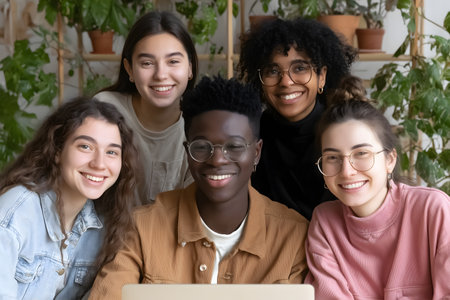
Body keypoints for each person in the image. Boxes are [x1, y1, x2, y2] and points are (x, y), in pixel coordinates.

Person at [88, 76, 309, 299]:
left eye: (234, 146)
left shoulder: (293, 237)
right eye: (202, 147)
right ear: (187, 152)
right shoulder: (142, 228)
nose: (217, 160)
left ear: (256, 152)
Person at [305, 99, 450, 299]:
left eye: (362, 153)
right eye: (333, 157)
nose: (347, 172)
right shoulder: (324, 222)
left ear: (390, 160)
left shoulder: (433, 209)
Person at [0, 97, 140, 299]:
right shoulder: (14, 213)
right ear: (57, 152)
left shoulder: (106, 226)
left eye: (111, 152)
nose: (100, 164)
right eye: (85, 147)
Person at [237, 17, 358, 220]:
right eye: (273, 71)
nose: (286, 81)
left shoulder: (347, 131)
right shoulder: (250, 135)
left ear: (322, 76)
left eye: (300, 68)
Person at [94, 10, 198, 203]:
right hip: (104, 232)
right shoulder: (104, 110)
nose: (161, 74)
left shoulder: (201, 126)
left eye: (173, 61)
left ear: (190, 67)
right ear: (129, 69)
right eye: (147, 63)